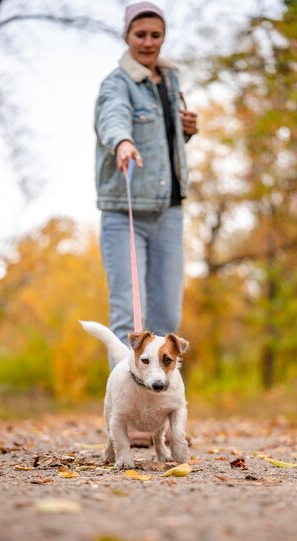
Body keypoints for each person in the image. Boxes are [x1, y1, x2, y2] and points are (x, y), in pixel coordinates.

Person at [94, 1, 198, 352]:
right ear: (127, 36)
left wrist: (185, 131)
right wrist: (122, 142)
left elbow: (160, 142)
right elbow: (113, 116)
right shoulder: (117, 83)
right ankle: (124, 408)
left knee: (167, 317)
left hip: (169, 211)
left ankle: (158, 406)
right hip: (126, 213)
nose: (149, 42)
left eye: (156, 35)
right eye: (141, 35)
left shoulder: (169, 81)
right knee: (129, 318)